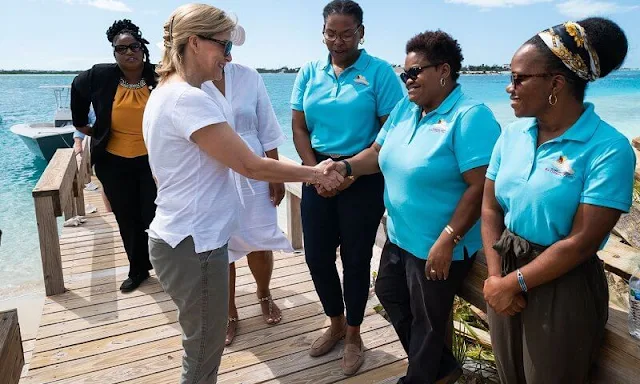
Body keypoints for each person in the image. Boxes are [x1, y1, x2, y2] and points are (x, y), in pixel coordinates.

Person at [143, 4, 342, 383]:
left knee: (201, 347)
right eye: (223, 45)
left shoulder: (166, 91)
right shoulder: (189, 99)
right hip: (193, 243)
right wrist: (316, 172)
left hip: (180, 237)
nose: (229, 55)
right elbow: (250, 166)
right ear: (196, 43)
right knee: (202, 356)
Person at [325, 30, 501, 383]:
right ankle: (445, 370)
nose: (407, 80)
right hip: (400, 235)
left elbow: (480, 186)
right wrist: (344, 166)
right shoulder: (407, 107)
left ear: (444, 71)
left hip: (438, 245)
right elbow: (376, 154)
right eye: (404, 73)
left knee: (428, 323)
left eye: (415, 72)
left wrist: (448, 239)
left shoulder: (470, 116)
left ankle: (420, 377)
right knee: (389, 294)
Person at [482, 17, 634, 384]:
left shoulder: (608, 149)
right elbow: (490, 208)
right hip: (503, 270)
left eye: (519, 78)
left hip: (561, 287)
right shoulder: (514, 134)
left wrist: (514, 283)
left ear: (556, 84)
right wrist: (495, 277)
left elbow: (581, 242)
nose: (509, 87)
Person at [290, 0, 404, 375]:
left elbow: (390, 131)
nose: (338, 41)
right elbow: (299, 126)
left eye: (346, 33)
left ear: (361, 33)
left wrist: (350, 172)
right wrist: (315, 172)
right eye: (331, 33)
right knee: (317, 255)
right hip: (316, 170)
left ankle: (354, 333)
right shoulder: (309, 71)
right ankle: (335, 321)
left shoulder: (380, 73)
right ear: (322, 33)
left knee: (356, 259)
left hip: (364, 175)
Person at [202, 59, 294, 345]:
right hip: (211, 166)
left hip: (253, 162)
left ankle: (264, 293)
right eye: (220, 43)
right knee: (220, 242)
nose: (226, 52)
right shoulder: (191, 78)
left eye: (229, 43)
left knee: (259, 236)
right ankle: (228, 311)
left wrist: (275, 173)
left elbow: (267, 125)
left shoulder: (248, 75)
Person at [70, 19, 157, 292]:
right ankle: (138, 269)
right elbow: (77, 87)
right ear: (114, 53)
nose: (129, 52)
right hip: (113, 161)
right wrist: (84, 125)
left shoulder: (159, 76)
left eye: (134, 46)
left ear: (142, 48)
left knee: (154, 215)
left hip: (153, 162)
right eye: (121, 49)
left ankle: (165, 266)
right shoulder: (100, 76)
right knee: (126, 216)